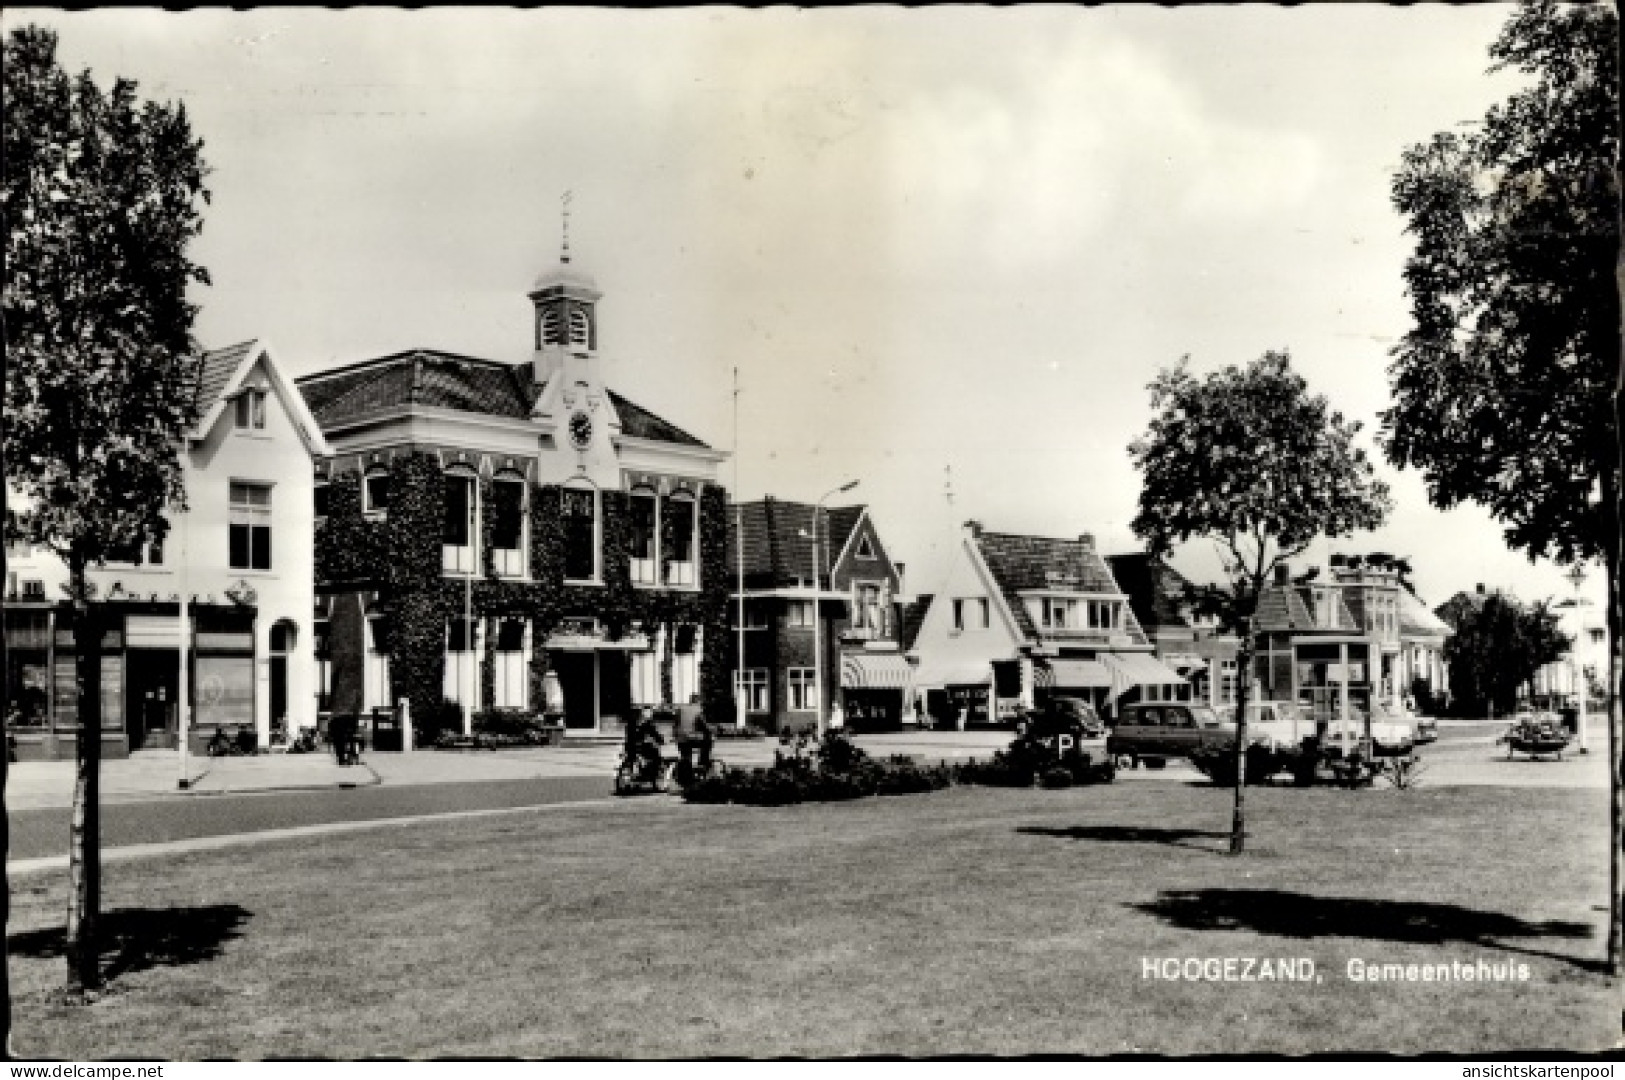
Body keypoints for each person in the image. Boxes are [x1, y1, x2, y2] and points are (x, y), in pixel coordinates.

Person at [673, 694, 712, 785]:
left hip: (680, 739)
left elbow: (675, 724)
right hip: (693, 739)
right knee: (707, 742)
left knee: (686, 756)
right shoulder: (698, 710)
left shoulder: (680, 709)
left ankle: (686, 774)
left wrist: (675, 735)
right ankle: (703, 762)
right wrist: (711, 731)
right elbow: (703, 725)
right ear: (698, 701)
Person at [623, 706, 664, 784]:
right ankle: (651, 776)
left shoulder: (630, 723)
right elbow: (654, 734)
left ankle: (642, 772)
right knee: (656, 755)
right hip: (640, 747)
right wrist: (660, 740)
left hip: (629, 747)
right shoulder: (646, 723)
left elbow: (629, 736)